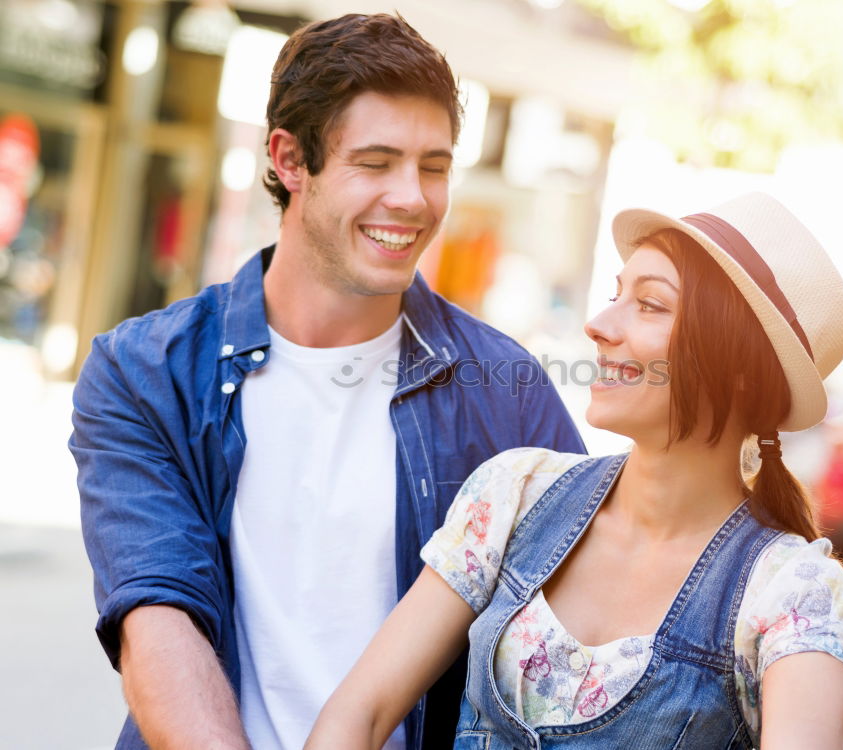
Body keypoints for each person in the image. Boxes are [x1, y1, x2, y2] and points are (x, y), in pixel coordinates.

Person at [69, 14, 584, 750]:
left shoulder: (506, 390)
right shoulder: (143, 372)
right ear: (288, 159)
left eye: (433, 166)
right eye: (375, 162)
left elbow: (575, 632)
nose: (412, 197)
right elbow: (158, 618)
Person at [305, 192, 843, 749]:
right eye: (616, 295)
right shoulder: (515, 494)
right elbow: (362, 714)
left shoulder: (791, 594)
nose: (597, 325)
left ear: (741, 367)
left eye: (650, 304)